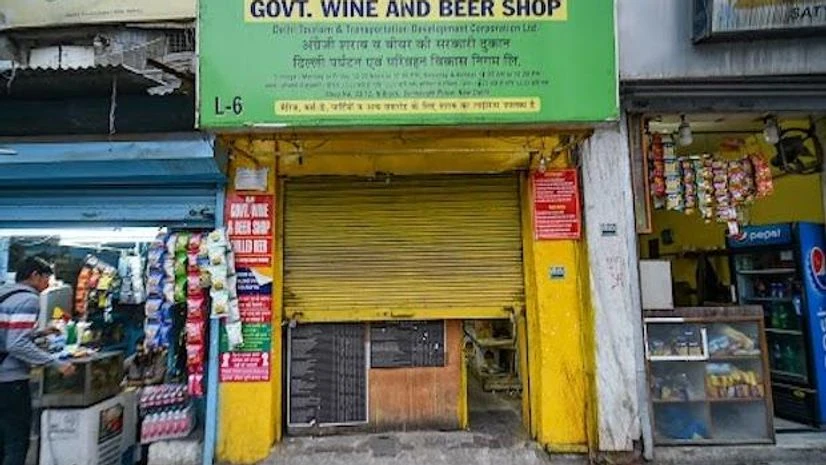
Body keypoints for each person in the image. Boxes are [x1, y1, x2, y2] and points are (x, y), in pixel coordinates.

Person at [0, 257, 75, 465]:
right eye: (46, 278)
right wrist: (56, 363)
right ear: (34, 276)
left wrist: (39, 333)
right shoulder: (28, 299)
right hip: (10, 382)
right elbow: (15, 345)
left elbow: (8, 336)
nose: (48, 284)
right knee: (16, 443)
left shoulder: (5, 294)